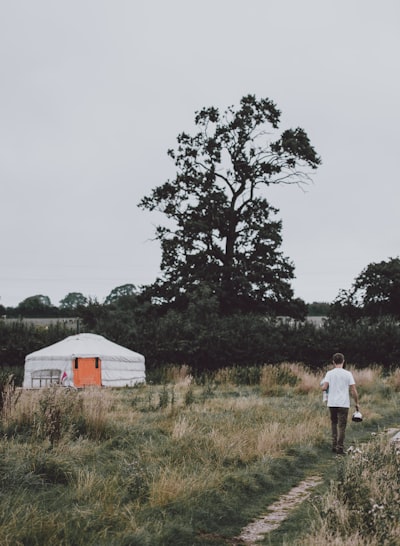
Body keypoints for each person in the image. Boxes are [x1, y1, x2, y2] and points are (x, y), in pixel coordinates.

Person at [321, 353, 359, 455]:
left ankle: (334, 446)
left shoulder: (329, 373)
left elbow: (324, 387)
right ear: (343, 361)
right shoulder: (348, 374)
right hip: (343, 403)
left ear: (333, 362)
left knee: (334, 423)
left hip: (332, 403)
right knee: (342, 426)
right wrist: (357, 403)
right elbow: (353, 390)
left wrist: (324, 388)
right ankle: (340, 448)